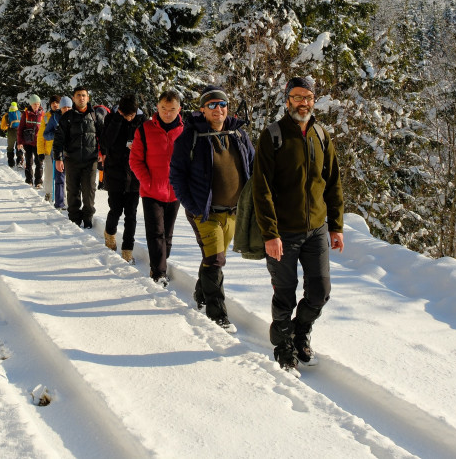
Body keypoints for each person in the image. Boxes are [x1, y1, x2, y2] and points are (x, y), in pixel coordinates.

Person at [252, 76, 343, 373]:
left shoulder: (320, 133)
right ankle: (282, 344)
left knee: (320, 291)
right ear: (287, 99)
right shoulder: (273, 136)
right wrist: (270, 233)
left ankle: (300, 331)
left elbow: (333, 182)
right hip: (283, 232)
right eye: (297, 96)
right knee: (285, 293)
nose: (303, 102)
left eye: (308, 97)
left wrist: (336, 225)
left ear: (314, 101)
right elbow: (261, 189)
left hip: (316, 229)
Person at [169, 85, 253, 333]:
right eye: (212, 105)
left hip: (233, 211)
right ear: (203, 109)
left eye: (223, 104)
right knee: (216, 259)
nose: (219, 109)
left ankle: (201, 294)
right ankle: (218, 315)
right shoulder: (190, 137)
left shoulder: (238, 135)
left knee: (213, 258)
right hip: (204, 211)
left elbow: (253, 166)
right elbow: (177, 175)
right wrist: (192, 206)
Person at [129, 90, 184, 286]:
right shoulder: (144, 129)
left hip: (175, 191)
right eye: (163, 108)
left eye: (171, 109)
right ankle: (159, 273)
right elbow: (135, 160)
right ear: (157, 108)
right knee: (156, 233)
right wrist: (148, 181)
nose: (167, 113)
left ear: (179, 109)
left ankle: (159, 261)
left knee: (167, 235)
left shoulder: (185, 131)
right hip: (152, 191)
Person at [99, 94, 145, 261]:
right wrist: (118, 121)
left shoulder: (142, 121)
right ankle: (110, 233)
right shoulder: (111, 118)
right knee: (116, 210)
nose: (129, 118)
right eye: (126, 115)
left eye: (131, 115)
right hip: (115, 172)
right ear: (120, 111)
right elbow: (105, 143)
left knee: (131, 215)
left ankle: (128, 250)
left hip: (134, 174)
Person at [53, 86, 106, 228]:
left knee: (89, 191)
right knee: (73, 191)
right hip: (72, 160)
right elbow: (58, 139)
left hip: (90, 160)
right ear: (73, 98)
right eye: (78, 95)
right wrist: (58, 158)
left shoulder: (95, 116)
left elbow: (104, 137)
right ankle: (74, 219)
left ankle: (88, 218)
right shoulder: (67, 117)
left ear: (88, 98)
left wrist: (104, 153)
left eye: (84, 95)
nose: (81, 98)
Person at [45, 96, 70, 209]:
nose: (67, 109)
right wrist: (55, 135)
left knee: (71, 178)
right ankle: (59, 203)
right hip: (57, 150)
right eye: (64, 107)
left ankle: (71, 202)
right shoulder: (54, 117)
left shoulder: (76, 117)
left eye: (69, 107)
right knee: (59, 177)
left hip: (72, 152)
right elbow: (46, 134)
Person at [18, 95, 45, 186]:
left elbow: (45, 128)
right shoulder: (26, 114)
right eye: (34, 104)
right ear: (31, 104)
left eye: (38, 104)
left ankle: (38, 181)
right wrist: (20, 142)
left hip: (38, 142)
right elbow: (20, 128)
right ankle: (29, 180)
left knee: (39, 162)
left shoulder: (42, 114)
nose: (36, 106)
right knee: (29, 161)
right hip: (27, 142)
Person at [37, 97, 58, 202]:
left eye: (57, 102)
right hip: (49, 151)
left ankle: (63, 195)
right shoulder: (46, 117)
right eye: (53, 103)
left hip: (62, 151)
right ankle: (48, 193)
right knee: (49, 173)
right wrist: (40, 152)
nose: (55, 104)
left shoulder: (65, 115)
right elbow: (41, 136)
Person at [2, 101, 21, 167]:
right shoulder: (19, 113)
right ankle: (20, 160)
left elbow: (3, 126)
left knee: (10, 147)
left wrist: (5, 128)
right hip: (19, 131)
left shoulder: (7, 115)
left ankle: (11, 162)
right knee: (19, 145)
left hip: (11, 131)